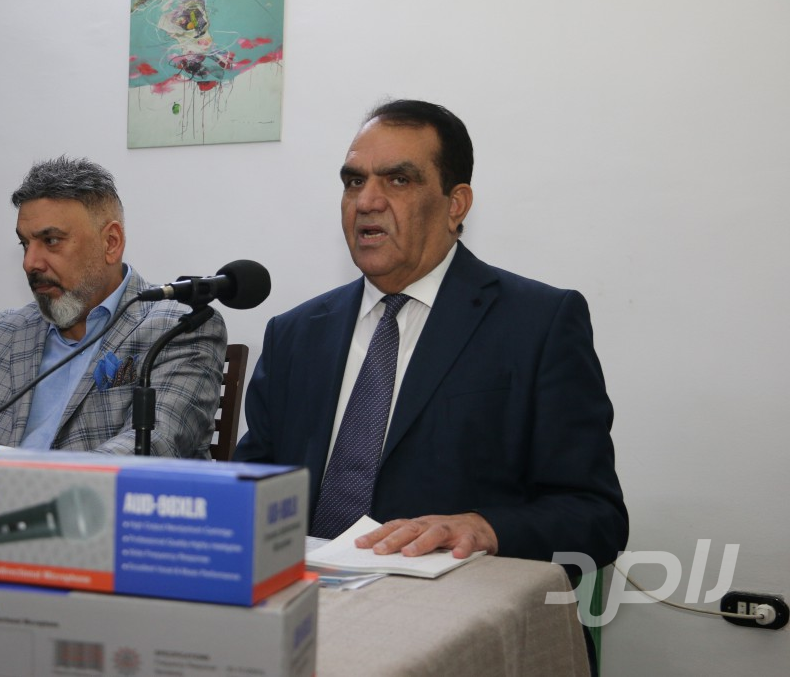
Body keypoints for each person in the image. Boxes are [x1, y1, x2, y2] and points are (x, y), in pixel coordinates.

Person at [234, 100, 627, 571]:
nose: (366, 201)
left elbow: (596, 517)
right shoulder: (294, 334)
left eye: (398, 180)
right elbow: (249, 491)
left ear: (455, 204)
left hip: (447, 601)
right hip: (297, 594)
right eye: (354, 181)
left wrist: (486, 529)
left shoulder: (538, 323)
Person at [0, 156, 226, 458]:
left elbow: (151, 447)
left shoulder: (180, 328)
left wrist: (26, 481)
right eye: (25, 244)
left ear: (111, 243)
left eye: (51, 240)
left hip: (100, 490)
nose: (30, 263)